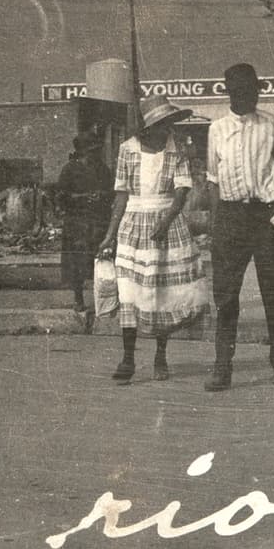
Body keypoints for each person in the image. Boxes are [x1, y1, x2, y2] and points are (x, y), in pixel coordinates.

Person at [205, 62, 274, 391]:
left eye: (251, 91)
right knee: (225, 297)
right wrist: (216, 225)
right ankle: (222, 368)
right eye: (239, 91)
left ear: (257, 91)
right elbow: (213, 181)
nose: (247, 97)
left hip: (266, 218)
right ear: (229, 93)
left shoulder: (271, 124)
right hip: (231, 218)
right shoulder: (216, 129)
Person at [97, 95, 209, 384]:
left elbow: (182, 190)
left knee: (161, 293)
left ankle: (161, 354)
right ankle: (128, 358)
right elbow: (121, 195)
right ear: (148, 127)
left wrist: (166, 220)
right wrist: (109, 236)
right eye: (161, 124)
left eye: (169, 123)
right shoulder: (127, 149)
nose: (166, 128)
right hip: (132, 228)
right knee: (129, 293)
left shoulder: (177, 148)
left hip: (166, 224)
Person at [56, 130, 113, 311]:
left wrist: (101, 195)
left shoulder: (103, 169)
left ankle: (102, 299)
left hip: (98, 221)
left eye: (96, 150)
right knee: (76, 262)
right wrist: (82, 197)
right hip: (77, 222)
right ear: (82, 152)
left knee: (100, 261)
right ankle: (78, 297)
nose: (95, 154)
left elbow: (112, 192)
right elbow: (60, 196)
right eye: (91, 151)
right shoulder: (70, 169)